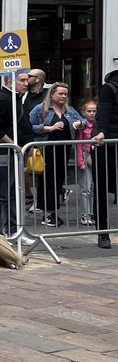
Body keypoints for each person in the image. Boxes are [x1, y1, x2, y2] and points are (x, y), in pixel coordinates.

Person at [0, 71, 34, 244]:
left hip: (15, 152)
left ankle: (12, 231)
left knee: (11, 193)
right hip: (7, 152)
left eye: (27, 80)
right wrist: (12, 144)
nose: (26, 83)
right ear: (10, 81)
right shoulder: (3, 99)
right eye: (22, 80)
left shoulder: (15, 98)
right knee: (0, 193)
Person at [30, 82, 85, 227]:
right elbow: (29, 126)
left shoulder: (70, 110)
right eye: (60, 93)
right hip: (46, 149)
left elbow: (84, 121)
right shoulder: (41, 109)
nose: (63, 96)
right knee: (47, 180)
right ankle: (47, 214)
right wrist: (49, 127)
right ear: (52, 94)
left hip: (64, 150)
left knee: (58, 180)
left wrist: (79, 123)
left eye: (65, 94)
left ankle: (53, 212)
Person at [94, 70, 118, 249]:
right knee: (101, 188)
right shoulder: (109, 88)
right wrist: (101, 131)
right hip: (107, 145)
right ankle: (103, 233)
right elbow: (104, 110)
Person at [77, 98, 97, 228]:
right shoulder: (83, 125)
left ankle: (92, 212)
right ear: (84, 112)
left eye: (94, 111)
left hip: (96, 155)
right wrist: (80, 161)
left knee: (93, 188)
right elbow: (78, 144)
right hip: (85, 155)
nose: (92, 113)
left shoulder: (99, 125)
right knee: (86, 187)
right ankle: (85, 214)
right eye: (89, 111)